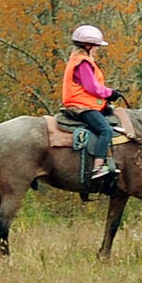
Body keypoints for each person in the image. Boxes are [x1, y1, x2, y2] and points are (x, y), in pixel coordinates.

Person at [59, 24, 121, 182]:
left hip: (82, 103)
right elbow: (91, 87)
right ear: (88, 46)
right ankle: (98, 167)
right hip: (82, 106)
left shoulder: (76, 59)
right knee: (105, 131)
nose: (97, 49)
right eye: (96, 46)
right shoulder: (84, 62)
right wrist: (110, 93)